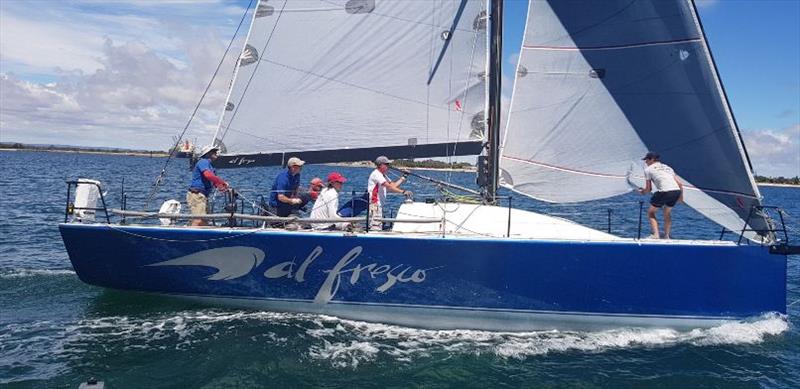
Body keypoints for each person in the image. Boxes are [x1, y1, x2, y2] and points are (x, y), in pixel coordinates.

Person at [638, 152, 684, 239]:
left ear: (652, 159)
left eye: (647, 160)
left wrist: (642, 192)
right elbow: (680, 184)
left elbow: (649, 189)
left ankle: (656, 235)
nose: (646, 162)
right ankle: (667, 235)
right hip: (676, 191)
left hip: (664, 191)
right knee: (667, 212)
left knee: (651, 213)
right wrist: (681, 198)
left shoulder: (648, 170)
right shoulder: (667, 167)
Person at [367, 156, 412, 230]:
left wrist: (404, 176)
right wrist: (403, 192)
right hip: (375, 204)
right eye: (386, 164)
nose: (388, 166)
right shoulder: (376, 174)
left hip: (379, 205)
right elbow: (389, 187)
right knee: (375, 227)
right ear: (381, 165)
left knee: (378, 224)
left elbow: (393, 185)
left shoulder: (383, 175)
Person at [187, 145, 228, 226]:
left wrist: (224, 188)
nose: (216, 153)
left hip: (203, 196)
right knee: (198, 220)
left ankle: (200, 236)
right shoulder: (203, 162)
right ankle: (192, 236)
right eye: (213, 151)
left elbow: (214, 182)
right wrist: (222, 181)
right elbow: (208, 175)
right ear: (207, 153)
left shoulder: (211, 167)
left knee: (204, 221)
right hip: (197, 195)